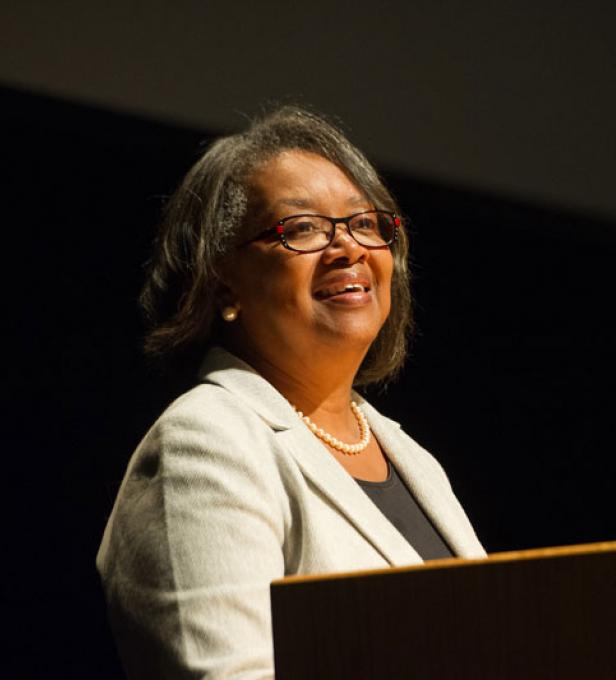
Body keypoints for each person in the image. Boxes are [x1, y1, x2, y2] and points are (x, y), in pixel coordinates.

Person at [97, 106, 486, 679]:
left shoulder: (414, 462)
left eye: (365, 223)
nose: (349, 248)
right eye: (302, 228)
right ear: (222, 279)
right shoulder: (204, 444)